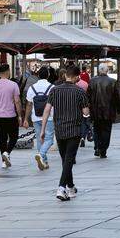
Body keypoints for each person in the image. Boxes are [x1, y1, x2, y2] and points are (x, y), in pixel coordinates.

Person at [40, 65, 89, 201]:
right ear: (76, 77)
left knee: (65, 160)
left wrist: (43, 130)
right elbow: (86, 112)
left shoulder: (54, 90)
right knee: (69, 159)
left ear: (66, 75)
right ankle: (61, 187)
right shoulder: (80, 92)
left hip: (59, 130)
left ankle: (71, 187)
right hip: (74, 130)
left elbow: (46, 110)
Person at [0, 63, 23, 168]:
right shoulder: (13, 85)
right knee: (14, 137)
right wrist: (20, 115)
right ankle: (7, 153)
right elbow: (17, 101)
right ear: (8, 72)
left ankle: (4, 161)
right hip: (10, 115)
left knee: (2, 138)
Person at [87, 63, 120, 158]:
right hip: (108, 111)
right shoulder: (113, 81)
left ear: (99, 70)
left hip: (95, 110)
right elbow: (116, 97)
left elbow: (88, 96)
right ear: (107, 70)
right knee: (106, 130)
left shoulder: (92, 81)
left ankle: (97, 147)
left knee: (96, 129)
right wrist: (118, 109)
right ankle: (103, 150)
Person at [24, 66, 54, 171]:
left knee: (39, 139)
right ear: (48, 75)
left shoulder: (32, 88)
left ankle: (44, 162)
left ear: (38, 75)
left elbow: (28, 104)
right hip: (49, 117)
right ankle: (41, 155)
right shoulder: (52, 87)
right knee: (49, 139)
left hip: (35, 117)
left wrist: (25, 119)